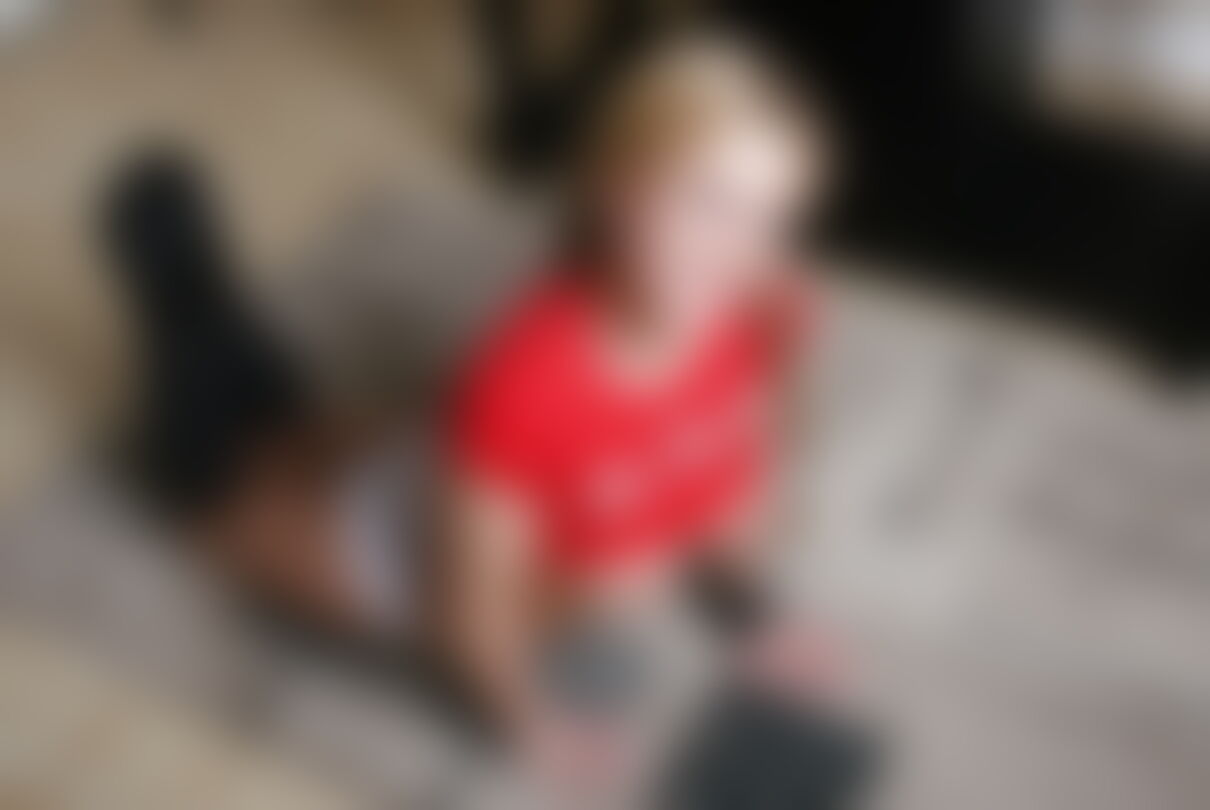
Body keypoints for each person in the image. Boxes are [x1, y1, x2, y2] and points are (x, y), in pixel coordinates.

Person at [439, 34, 838, 790]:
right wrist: (533, 725)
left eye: (769, 219)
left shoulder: (757, 305)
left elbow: (742, 480)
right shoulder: (519, 383)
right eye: (707, 202)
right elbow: (467, 616)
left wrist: (755, 617)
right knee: (228, 482)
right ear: (613, 190)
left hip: (543, 493)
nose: (739, 251)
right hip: (434, 539)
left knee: (712, 531)